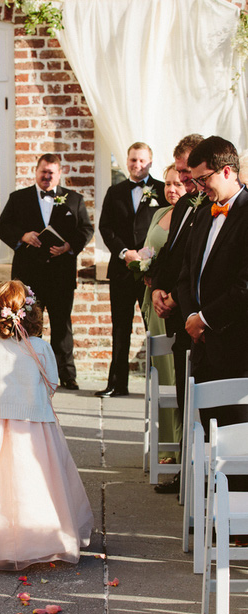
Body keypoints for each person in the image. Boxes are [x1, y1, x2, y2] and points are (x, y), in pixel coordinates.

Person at [0, 280, 93, 570]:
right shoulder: (39, 347)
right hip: (33, 426)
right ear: (31, 312)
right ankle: (40, 537)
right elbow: (51, 382)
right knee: (35, 483)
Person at [0, 153, 93, 390]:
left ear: (59, 174)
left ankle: (66, 375)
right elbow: (2, 227)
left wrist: (69, 246)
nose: (47, 176)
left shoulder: (74, 199)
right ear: (36, 171)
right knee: (27, 324)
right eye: (43, 171)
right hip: (28, 275)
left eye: (51, 172)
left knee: (62, 325)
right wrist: (23, 235)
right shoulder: (19, 198)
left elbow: (86, 230)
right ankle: (27, 371)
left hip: (61, 274)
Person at [178, 136, 248, 433]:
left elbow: (245, 285)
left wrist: (205, 320)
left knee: (236, 442)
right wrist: (192, 317)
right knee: (207, 437)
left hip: (235, 345)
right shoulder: (203, 214)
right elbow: (186, 274)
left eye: (203, 178)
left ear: (228, 171)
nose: (198, 186)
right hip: (203, 346)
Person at [151, 134, 208, 493]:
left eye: (189, 174)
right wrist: (157, 286)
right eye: (182, 174)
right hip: (176, 312)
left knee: (203, 400)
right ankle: (187, 474)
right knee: (186, 396)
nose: (185, 181)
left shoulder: (213, 205)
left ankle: (199, 475)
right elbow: (173, 256)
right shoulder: (186, 205)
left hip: (200, 316)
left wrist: (180, 299)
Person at [96, 142, 166, 397]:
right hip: (122, 270)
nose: (138, 165)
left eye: (142, 161)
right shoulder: (115, 192)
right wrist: (125, 253)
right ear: (126, 162)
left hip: (151, 272)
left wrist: (146, 256)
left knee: (155, 328)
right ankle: (117, 384)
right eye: (133, 160)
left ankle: (161, 385)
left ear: (150, 161)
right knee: (120, 327)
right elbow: (106, 228)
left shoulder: (162, 189)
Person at [140, 164, 185, 463]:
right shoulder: (158, 214)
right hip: (152, 301)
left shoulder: (189, 217)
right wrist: (140, 264)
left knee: (174, 374)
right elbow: (147, 252)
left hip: (172, 303)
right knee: (160, 374)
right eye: (167, 184)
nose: (171, 189)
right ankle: (164, 443)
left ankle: (174, 447)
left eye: (177, 185)